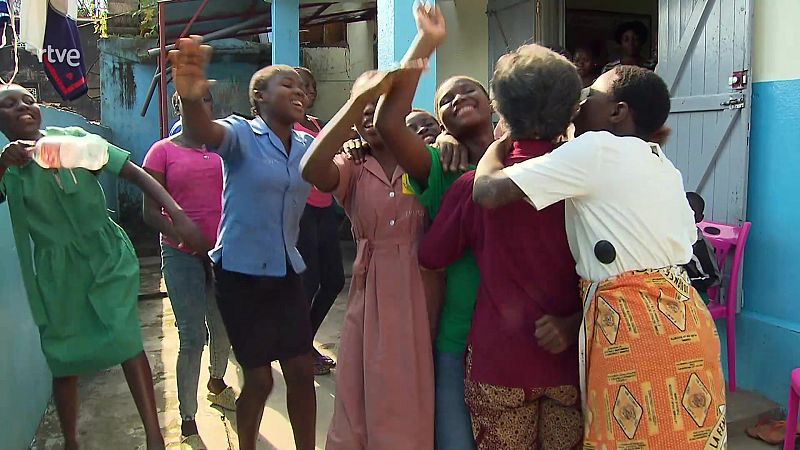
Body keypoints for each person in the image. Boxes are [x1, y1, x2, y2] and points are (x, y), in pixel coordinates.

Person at [473, 65, 727, 448]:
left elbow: (488, 193)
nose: (579, 103)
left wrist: (497, 147)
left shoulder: (596, 150)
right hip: (685, 319)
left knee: (632, 434)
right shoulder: (661, 163)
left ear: (616, 112)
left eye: (589, 95)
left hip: (633, 327)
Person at [0, 83, 209, 450]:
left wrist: (175, 212)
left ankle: (154, 435)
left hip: (106, 258)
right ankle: (71, 441)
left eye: (29, 100)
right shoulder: (10, 169)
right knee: (64, 357)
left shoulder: (73, 140)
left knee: (126, 338)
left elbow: (132, 172)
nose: (23, 107)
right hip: (58, 273)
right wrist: (4, 163)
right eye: (9, 105)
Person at [418, 44, 584, 449]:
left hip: (499, 364)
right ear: (572, 111)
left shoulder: (472, 186)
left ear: (500, 111)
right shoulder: (588, 179)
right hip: (570, 363)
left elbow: (431, 256)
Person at [299, 7, 446, 449]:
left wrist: (423, 46)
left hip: (422, 284)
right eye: (364, 112)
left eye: (379, 107)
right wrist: (356, 100)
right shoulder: (352, 166)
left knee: (413, 383)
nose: (370, 117)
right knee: (364, 382)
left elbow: (397, 110)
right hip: (372, 285)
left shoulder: (426, 160)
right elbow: (311, 168)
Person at [170, 37, 317, 450]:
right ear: (259, 96)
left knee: (302, 370)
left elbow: (337, 165)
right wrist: (190, 96)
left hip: (287, 270)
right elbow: (202, 130)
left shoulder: (308, 146)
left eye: (302, 87)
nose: (299, 91)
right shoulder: (241, 134)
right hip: (239, 275)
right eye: (286, 84)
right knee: (259, 378)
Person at [373, 18, 493, 448]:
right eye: (446, 98)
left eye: (468, 90)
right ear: (440, 119)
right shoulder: (439, 168)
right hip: (458, 335)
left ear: (492, 102)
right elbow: (390, 123)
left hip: (522, 337)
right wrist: (425, 43)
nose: (458, 97)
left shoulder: (531, 154)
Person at [142, 88, 235, 447]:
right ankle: (187, 418)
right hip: (181, 255)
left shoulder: (225, 147)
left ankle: (217, 382)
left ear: (213, 105)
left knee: (223, 326)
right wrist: (182, 233)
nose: (200, 105)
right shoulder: (162, 151)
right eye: (190, 99)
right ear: (177, 106)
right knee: (193, 335)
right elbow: (151, 213)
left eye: (206, 98)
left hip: (223, 253)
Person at [293, 66, 346, 377]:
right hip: (299, 211)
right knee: (307, 282)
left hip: (324, 208)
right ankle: (300, 348)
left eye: (309, 88)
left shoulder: (317, 124)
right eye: (298, 88)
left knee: (334, 281)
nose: (305, 94)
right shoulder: (282, 128)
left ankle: (302, 341)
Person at [684, 192, 721, 302]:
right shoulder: (672, 236)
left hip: (696, 295)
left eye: (690, 213)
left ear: (699, 218)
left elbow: (714, 278)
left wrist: (688, 281)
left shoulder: (699, 245)